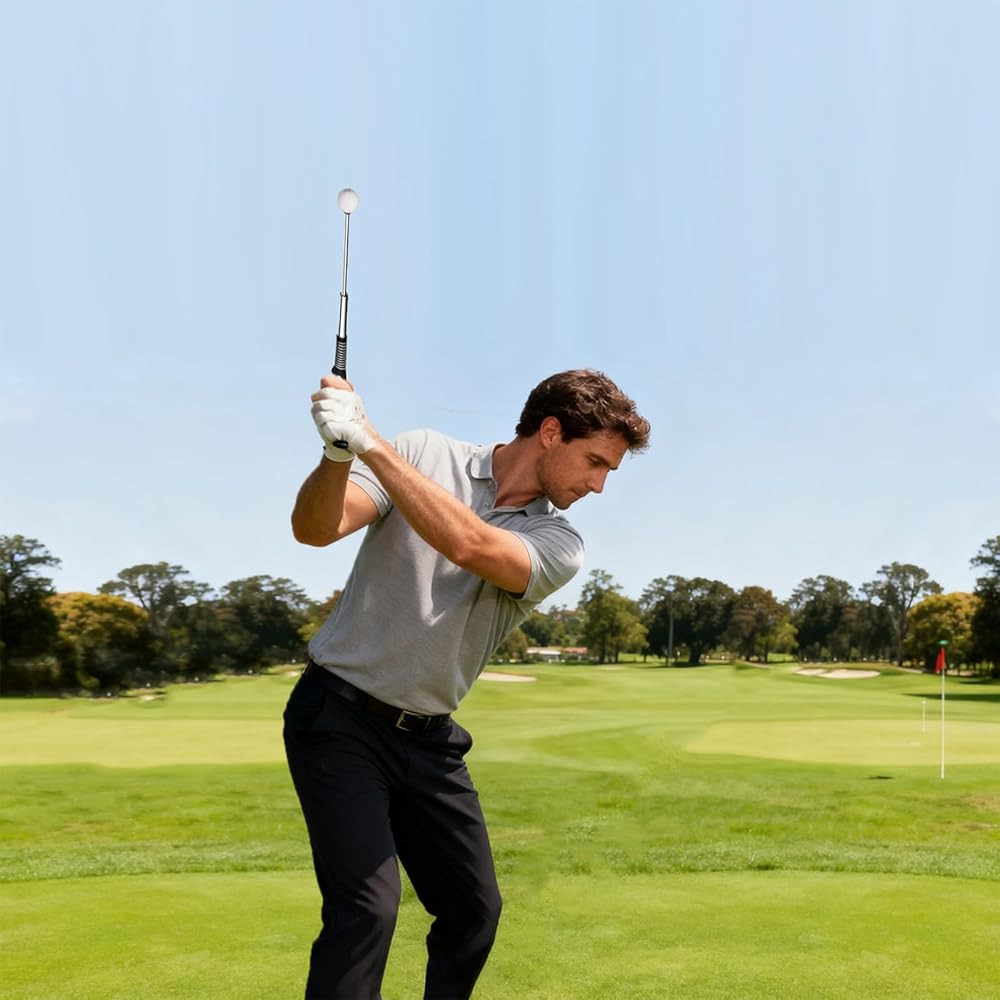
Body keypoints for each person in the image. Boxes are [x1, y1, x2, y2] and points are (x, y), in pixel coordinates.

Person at [283, 369, 650, 1000]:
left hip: (429, 741)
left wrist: (369, 441)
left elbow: (470, 544)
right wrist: (338, 454)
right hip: (338, 718)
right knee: (367, 909)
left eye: (608, 471)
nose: (598, 485)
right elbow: (316, 528)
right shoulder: (424, 451)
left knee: (473, 911)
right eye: (595, 462)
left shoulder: (558, 540)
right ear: (550, 432)